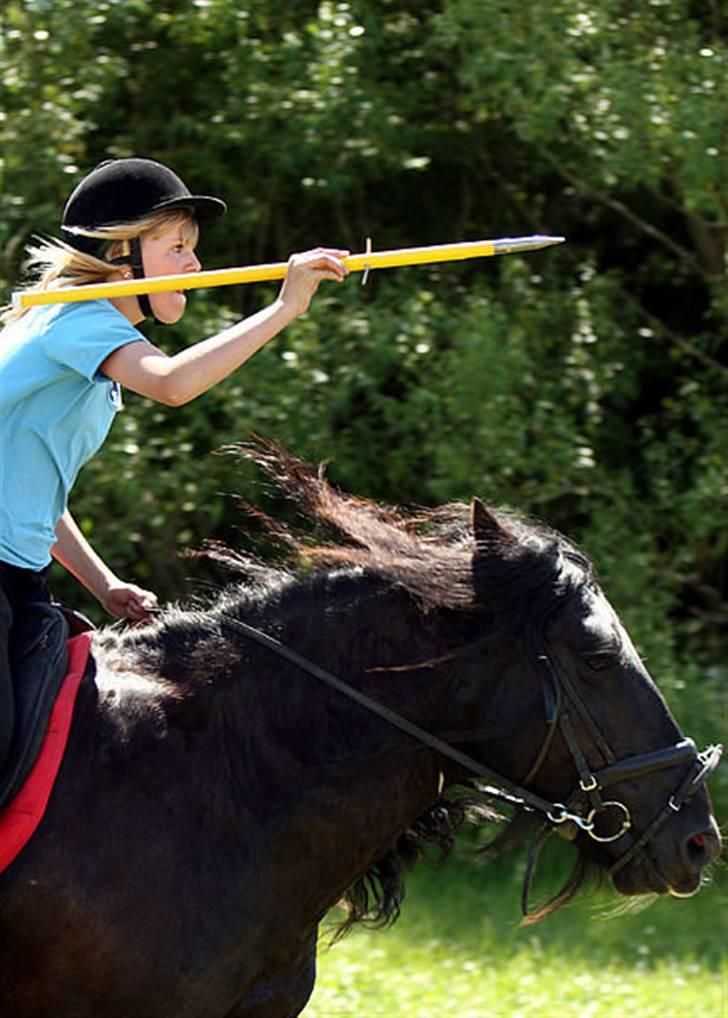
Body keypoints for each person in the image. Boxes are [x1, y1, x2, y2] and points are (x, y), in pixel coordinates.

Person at [0, 156, 349, 773]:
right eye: (177, 247)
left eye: (193, 248)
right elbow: (171, 383)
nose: (194, 265)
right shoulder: (78, 319)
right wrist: (285, 308)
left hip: (17, 579)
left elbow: (31, 493)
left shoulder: (77, 330)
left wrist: (102, 583)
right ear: (120, 255)